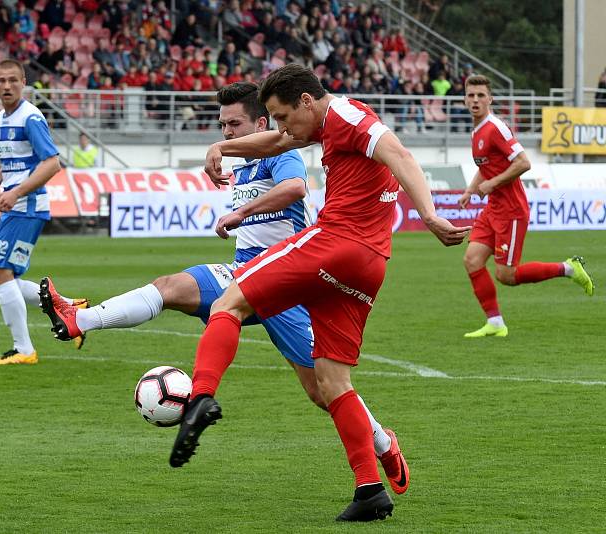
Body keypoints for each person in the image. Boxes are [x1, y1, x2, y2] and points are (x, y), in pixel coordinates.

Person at [39, 82, 410, 497]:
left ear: (262, 123)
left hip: (291, 281)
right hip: (244, 270)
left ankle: (382, 443)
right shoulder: (242, 163)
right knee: (171, 287)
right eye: (223, 124)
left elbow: (295, 189)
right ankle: (80, 318)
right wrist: (223, 153)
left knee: (323, 390)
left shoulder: (282, 152)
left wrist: (241, 210)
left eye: (235, 123)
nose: (229, 131)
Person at [167, 64, 470, 522]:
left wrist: (428, 215)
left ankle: (201, 396)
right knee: (332, 382)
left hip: (336, 244)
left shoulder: (347, 116)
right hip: (369, 265)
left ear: (307, 101)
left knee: (230, 299)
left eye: (283, 115)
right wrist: (223, 146)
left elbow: (401, 155)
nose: (283, 127)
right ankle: (370, 488)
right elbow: (277, 141)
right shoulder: (327, 124)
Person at [458, 75, 594, 338]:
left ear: (490, 99)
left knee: (506, 275)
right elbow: (484, 165)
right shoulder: (476, 130)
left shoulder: (496, 127)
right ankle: (495, 322)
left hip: (511, 210)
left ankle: (568, 268)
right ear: (465, 98)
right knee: (472, 260)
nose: (475, 100)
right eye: (471, 95)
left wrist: (492, 183)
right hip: (493, 208)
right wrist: (471, 188)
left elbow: (523, 162)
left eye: (480, 95)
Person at [0, 59, 83, 365]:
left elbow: (51, 163)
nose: (6, 86)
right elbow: (17, 164)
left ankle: (24, 350)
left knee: (0, 274)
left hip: (27, 206)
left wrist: (16, 192)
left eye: (12, 80)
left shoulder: (30, 117)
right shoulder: (1, 118)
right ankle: (67, 308)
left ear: (24, 82)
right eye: (1, 81)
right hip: (17, 205)